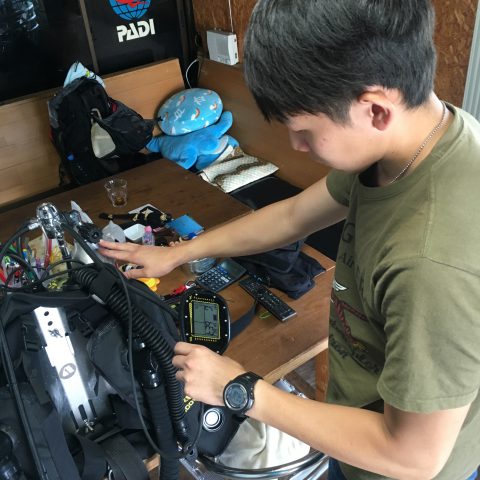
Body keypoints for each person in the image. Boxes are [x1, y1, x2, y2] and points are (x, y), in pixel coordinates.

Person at [98, 1, 480, 478]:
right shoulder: (412, 137)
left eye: (304, 131)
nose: (297, 147)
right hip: (357, 426)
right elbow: (295, 215)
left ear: (375, 109)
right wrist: (179, 252)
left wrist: (239, 388)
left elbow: (412, 456)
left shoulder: (432, 262)